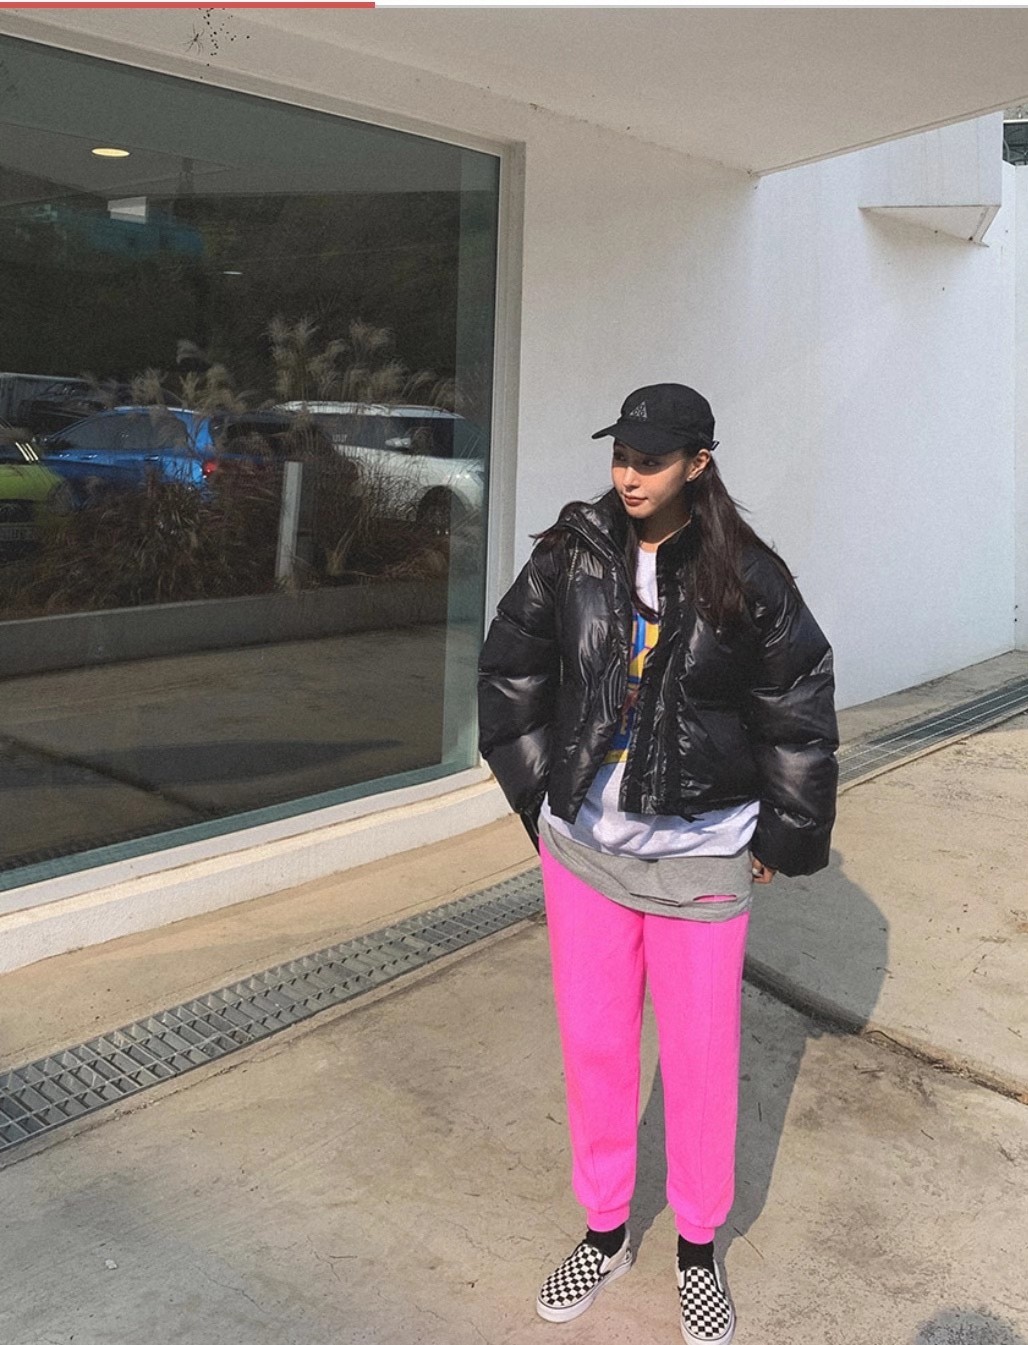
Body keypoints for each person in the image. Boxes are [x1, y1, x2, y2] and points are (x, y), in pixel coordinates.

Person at [477, 384, 838, 1344]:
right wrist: (539, 798)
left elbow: (798, 698)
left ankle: (697, 1249)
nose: (629, 475)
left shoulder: (748, 573)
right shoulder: (573, 553)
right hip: (586, 855)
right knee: (595, 1047)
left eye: (651, 459)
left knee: (701, 1061)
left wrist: (784, 832)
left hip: (700, 857)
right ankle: (604, 1230)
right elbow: (510, 669)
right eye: (621, 456)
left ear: (698, 463)